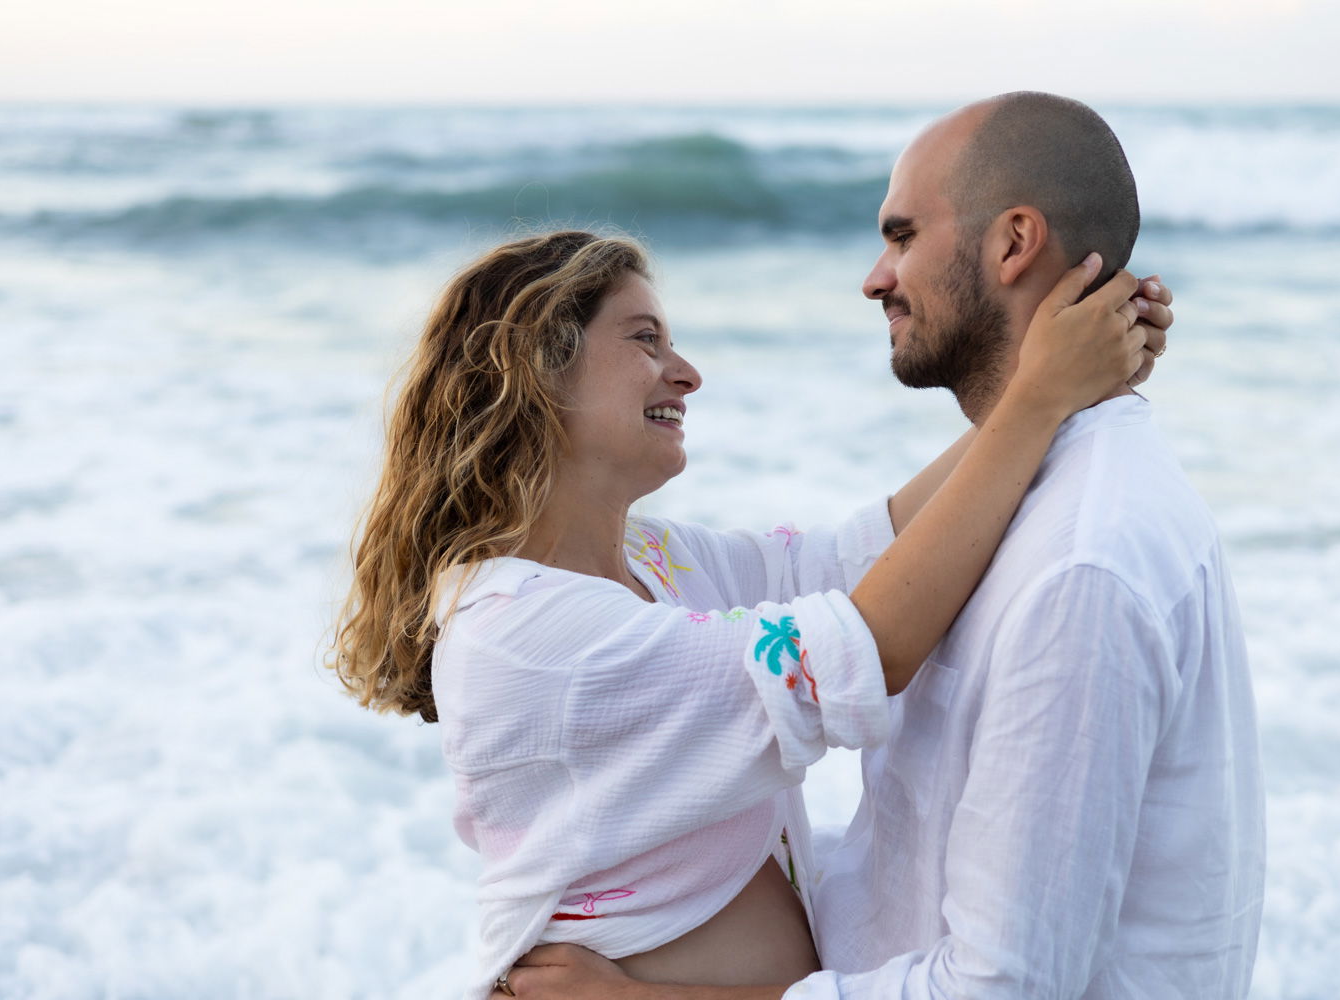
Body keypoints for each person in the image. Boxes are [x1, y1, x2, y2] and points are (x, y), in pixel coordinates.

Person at [507, 93, 1264, 1000]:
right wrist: (1043, 397)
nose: (875, 279)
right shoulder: (1023, 496)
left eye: (902, 236)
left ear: (1014, 243)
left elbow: (999, 991)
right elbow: (834, 572)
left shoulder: (1080, 566)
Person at [327, 221, 1169, 998]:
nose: (686, 372)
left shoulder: (652, 564)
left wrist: (1061, 381)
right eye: (644, 339)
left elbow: (856, 558)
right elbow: (870, 646)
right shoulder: (523, 633)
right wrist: (1038, 400)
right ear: (538, 370)